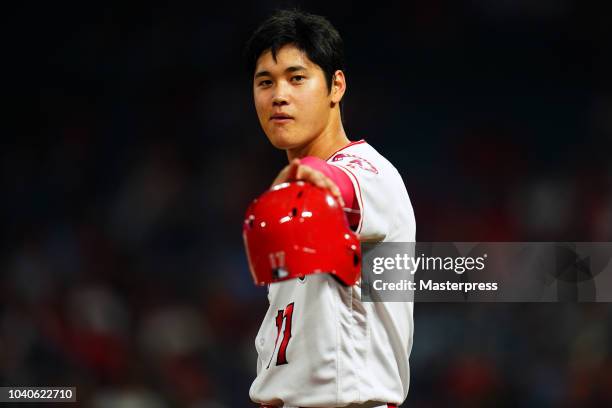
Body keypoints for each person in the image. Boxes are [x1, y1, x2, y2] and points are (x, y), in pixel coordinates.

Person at [243, 9, 416, 408]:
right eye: (265, 82)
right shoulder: (293, 199)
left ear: (336, 86)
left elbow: (344, 189)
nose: (279, 95)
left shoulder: (370, 172)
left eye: (297, 77)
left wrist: (314, 174)